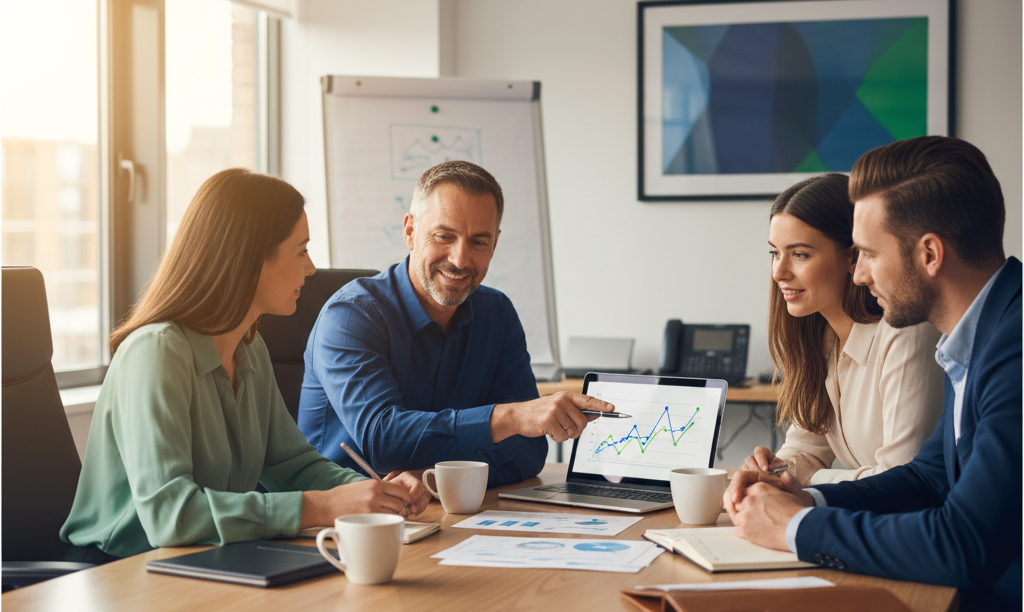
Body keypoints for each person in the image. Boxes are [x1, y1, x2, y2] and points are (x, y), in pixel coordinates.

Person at [60, 169, 430, 561]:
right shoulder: (155, 353)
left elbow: (294, 466)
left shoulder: (248, 349)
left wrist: (373, 494)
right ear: (250, 258)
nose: (310, 269)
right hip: (118, 571)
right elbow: (170, 517)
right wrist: (322, 507)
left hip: (202, 559)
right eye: (301, 250)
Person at [725, 136, 1021, 611]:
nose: (858, 274)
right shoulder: (977, 337)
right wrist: (803, 498)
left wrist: (794, 526)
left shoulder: (1016, 347)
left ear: (929, 254)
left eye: (867, 253)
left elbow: (965, 544)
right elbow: (929, 477)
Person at [298, 161, 614, 486]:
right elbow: (382, 439)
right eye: (444, 236)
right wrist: (510, 418)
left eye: (478, 242)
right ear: (409, 232)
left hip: (439, 514)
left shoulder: (497, 314)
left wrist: (436, 476)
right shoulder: (351, 316)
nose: (460, 259)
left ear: (495, 243)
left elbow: (527, 450)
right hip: (340, 524)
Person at [744, 173, 944, 486]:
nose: (778, 272)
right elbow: (806, 448)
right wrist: (776, 470)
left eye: (799, 254)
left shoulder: (906, 332)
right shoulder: (821, 338)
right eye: (775, 253)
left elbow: (902, 478)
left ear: (852, 256)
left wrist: (810, 478)